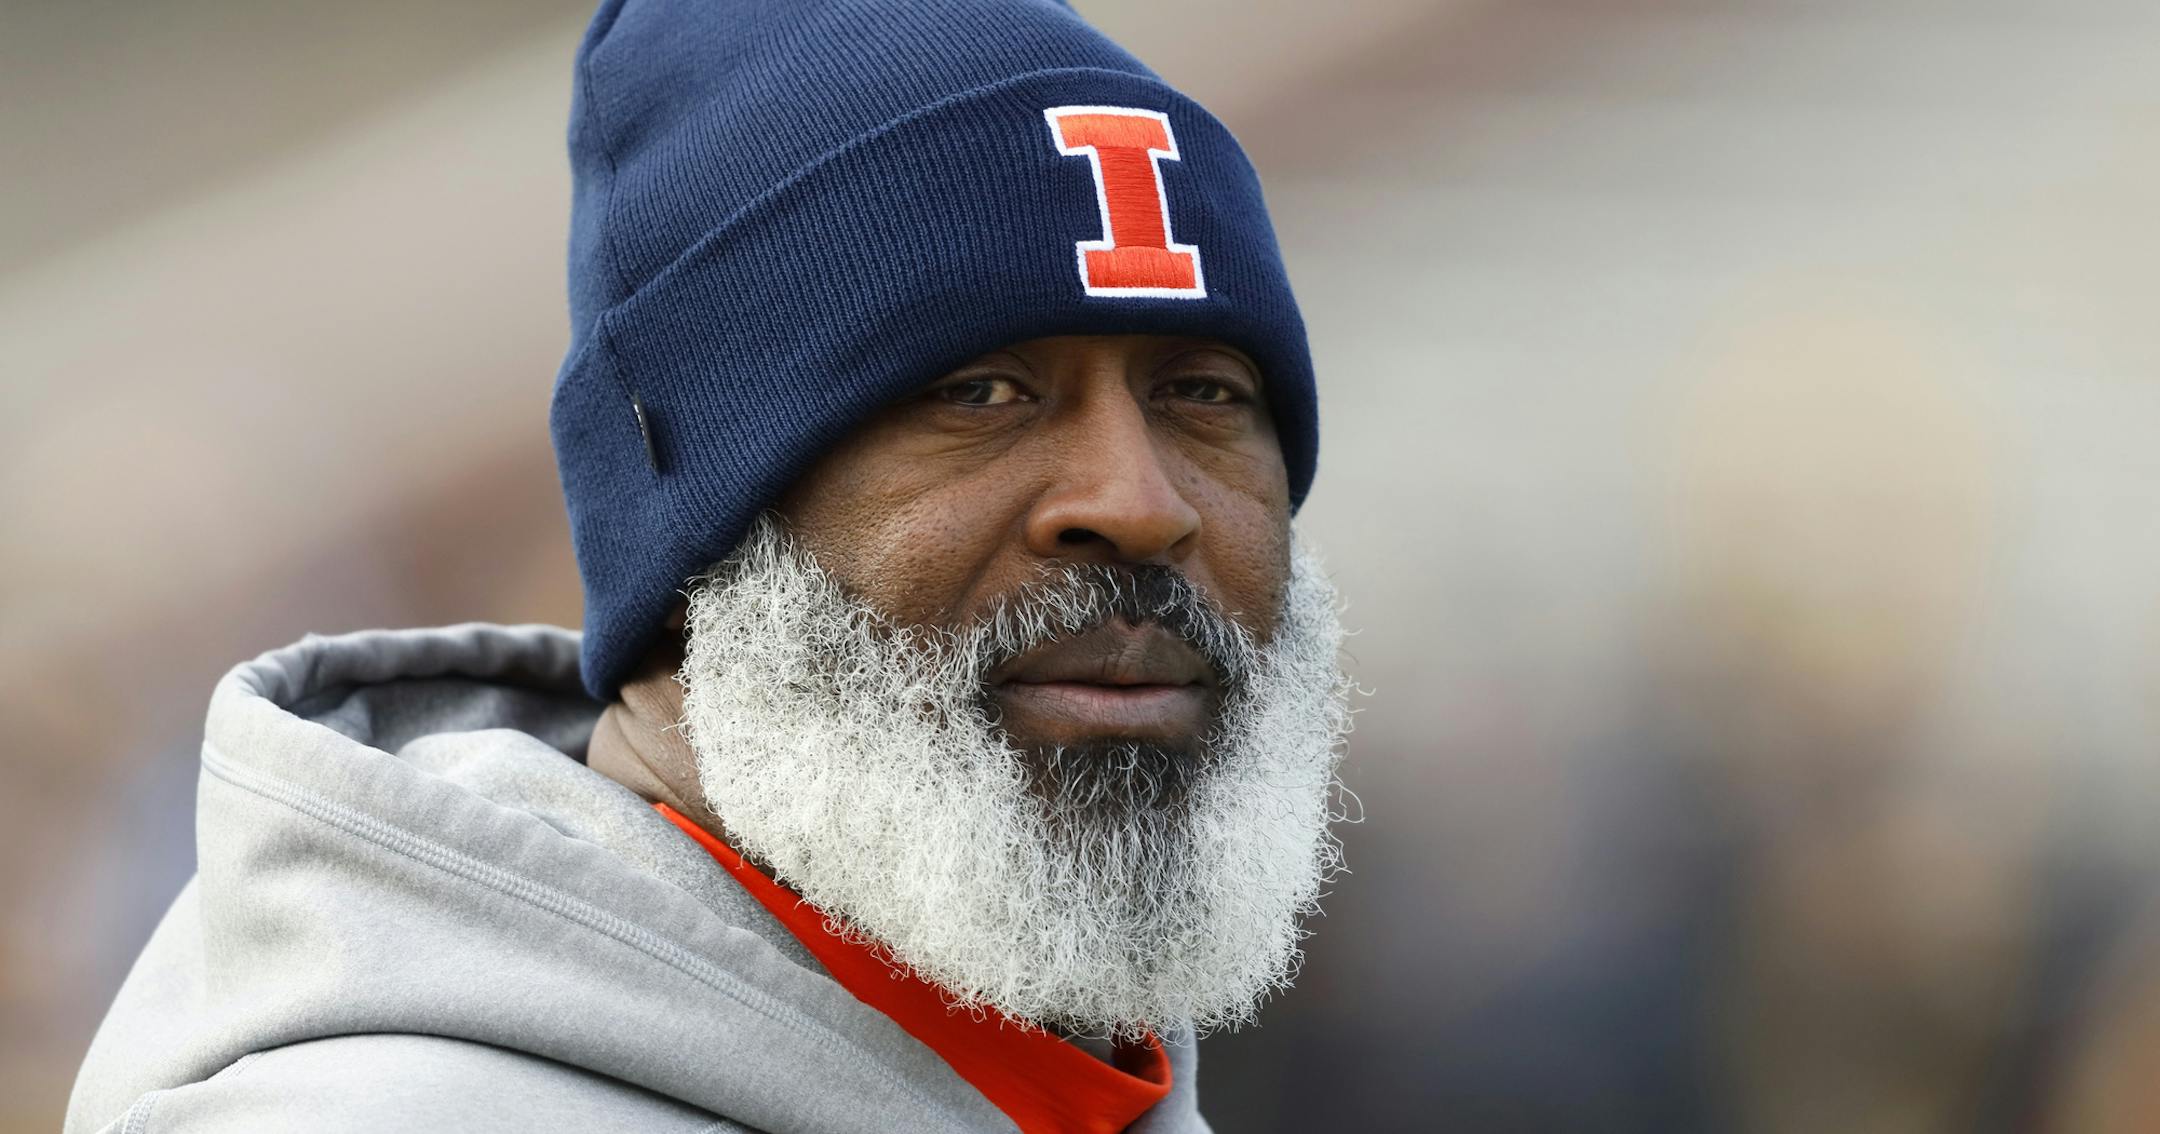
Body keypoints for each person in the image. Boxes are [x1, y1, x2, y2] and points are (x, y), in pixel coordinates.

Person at [65, 1, 1354, 1130]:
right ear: (689, 529)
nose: (1138, 505)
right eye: (979, 391)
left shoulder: (1063, 1076)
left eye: (1204, 392)